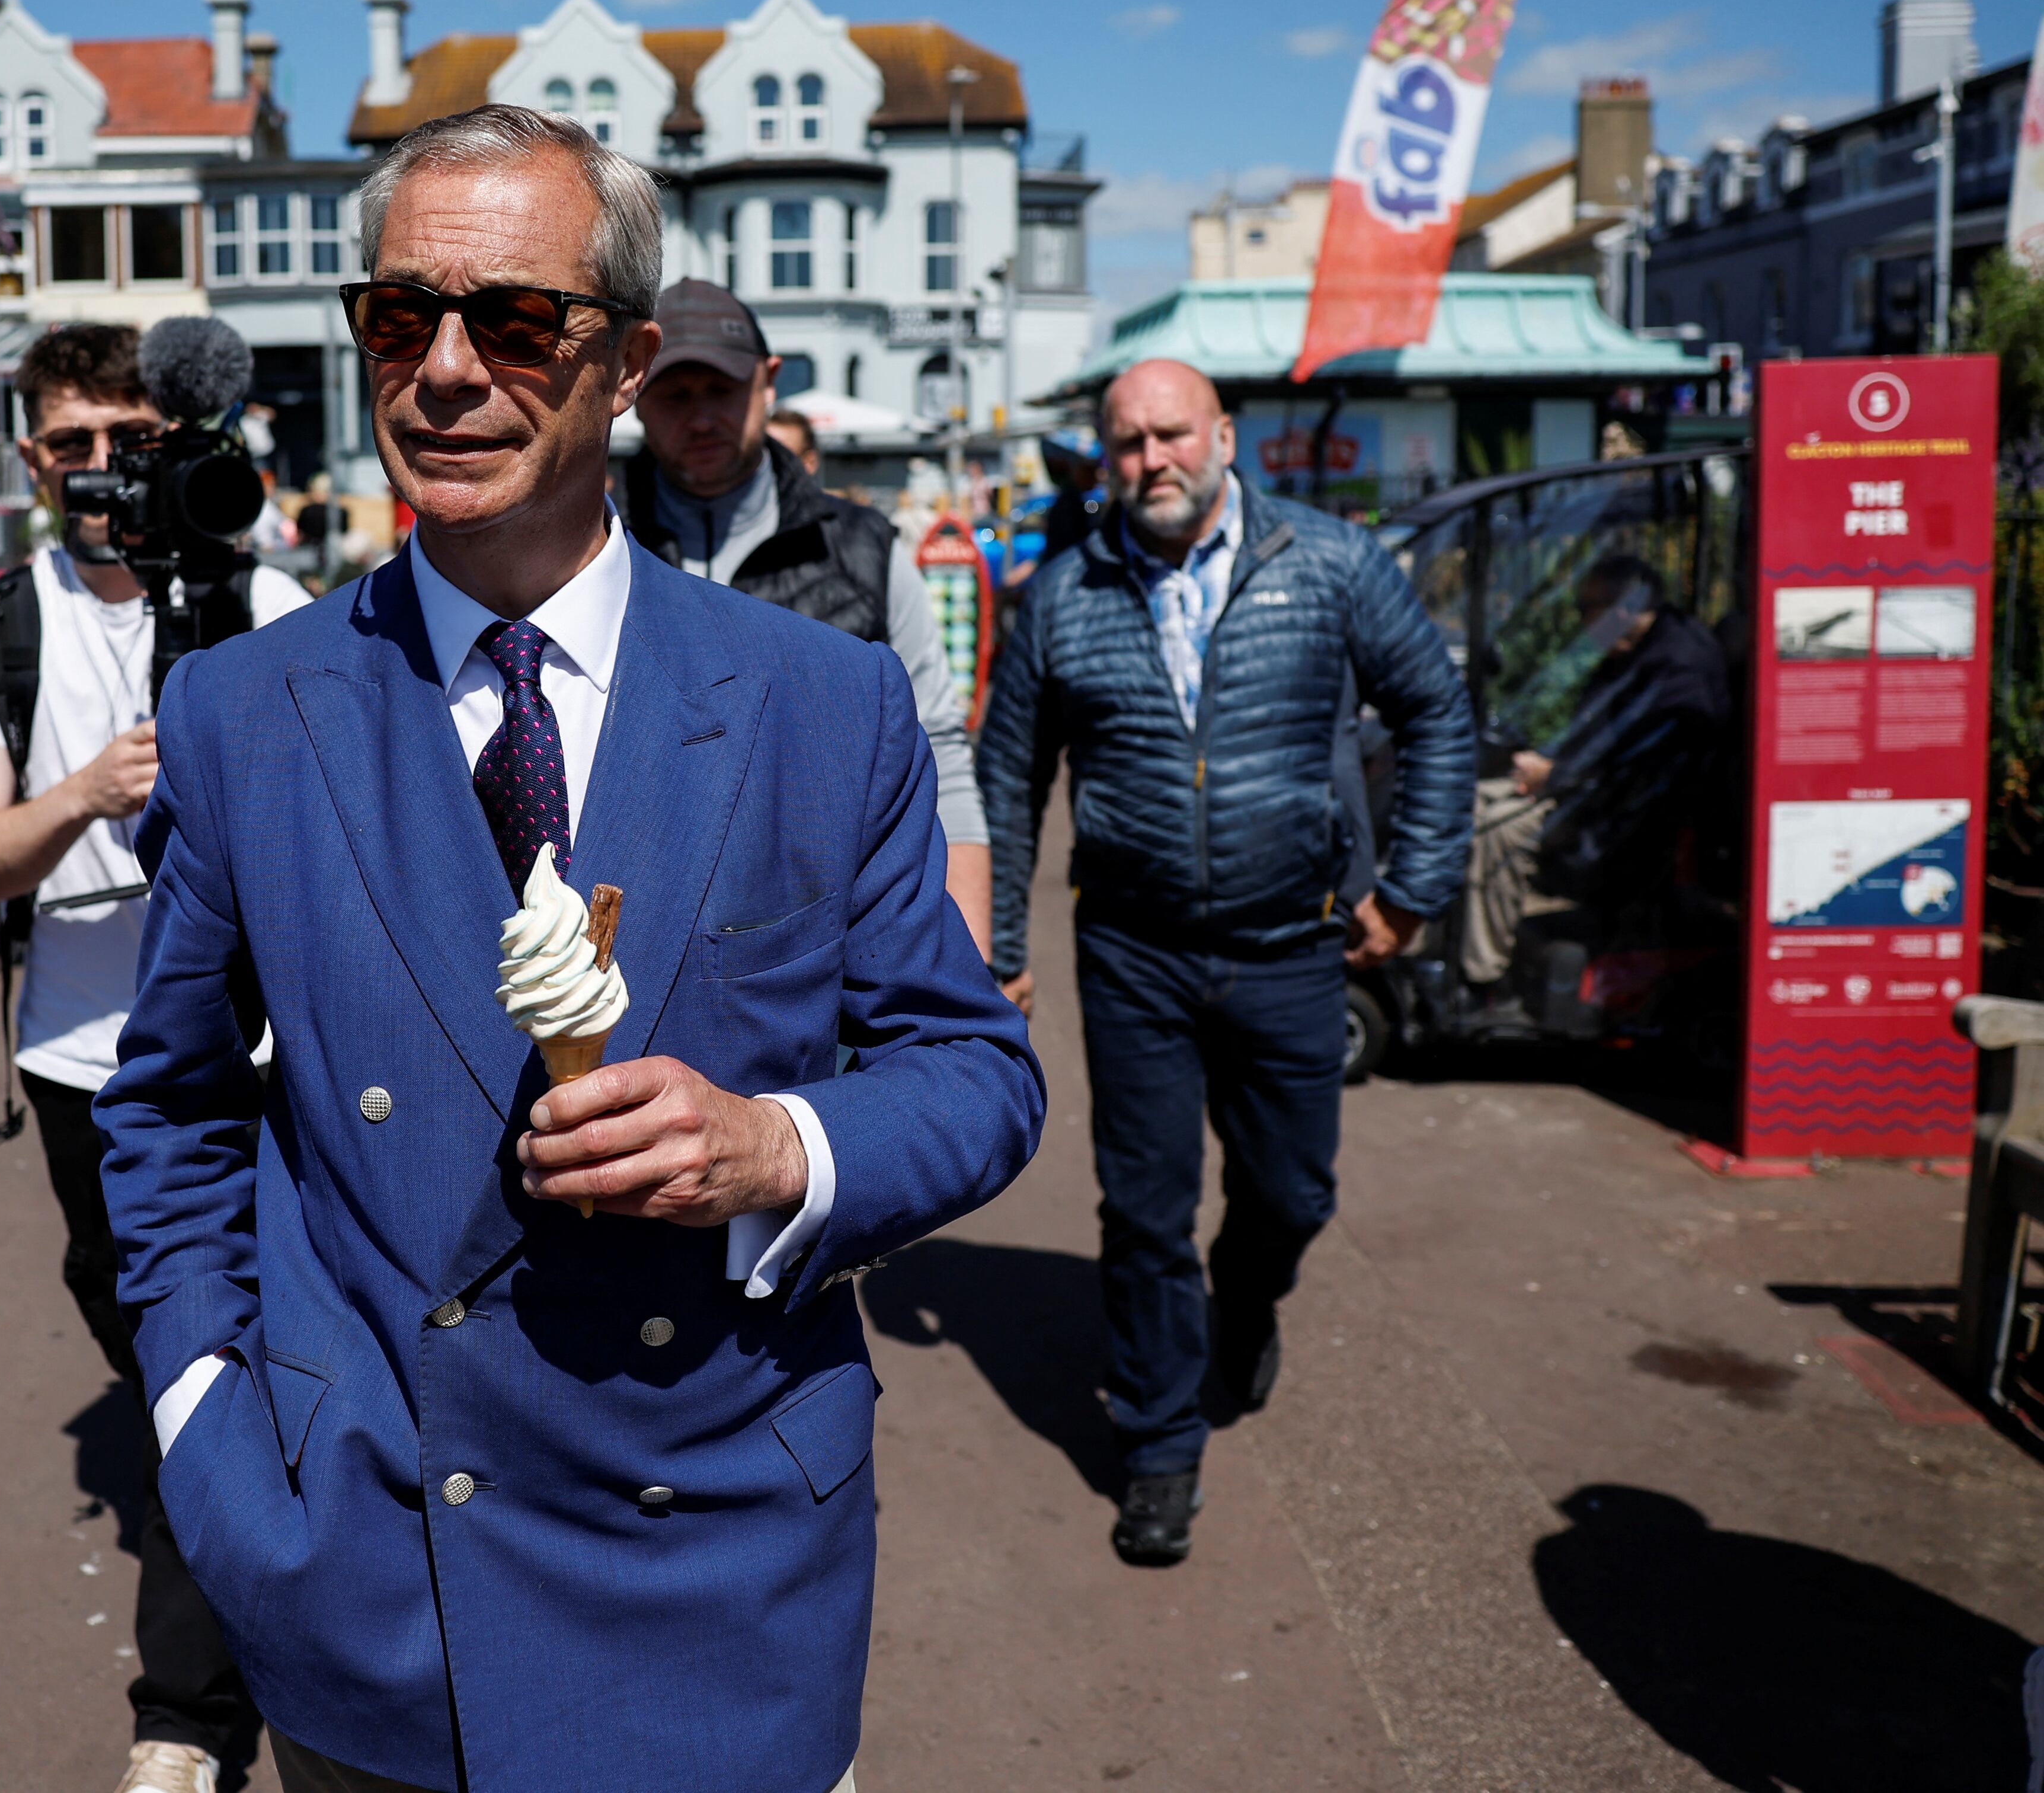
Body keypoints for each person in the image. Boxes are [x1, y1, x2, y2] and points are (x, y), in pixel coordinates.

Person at [94, 106, 1043, 1793]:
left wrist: (777, 1143)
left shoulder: (819, 702)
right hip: (374, 1572)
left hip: (723, 1569)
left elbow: (975, 1073)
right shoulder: (245, 708)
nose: (446, 369)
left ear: (622, 362)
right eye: (403, 316)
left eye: (516, 320)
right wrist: (206, 1423)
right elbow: (166, 1105)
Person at [975, 359, 1473, 1569]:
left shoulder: (1330, 562)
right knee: (1143, 1209)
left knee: (1292, 1193)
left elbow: (1436, 711)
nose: (1152, 460)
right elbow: (1008, 776)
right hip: (1133, 948)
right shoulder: (1062, 594)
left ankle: (1242, 1300)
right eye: (1128, 441)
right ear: (1104, 455)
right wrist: (998, 950)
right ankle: (1156, 1444)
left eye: (1172, 434)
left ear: (1224, 436)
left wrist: (1411, 891)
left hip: (1291, 941)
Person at [0, 324, 311, 1793]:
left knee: (223, 1354)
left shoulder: (260, 597)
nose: (101, 474)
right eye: (70, 444)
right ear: (30, 455)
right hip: (86, 1062)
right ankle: (241, 1653)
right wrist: (89, 791)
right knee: (179, 1359)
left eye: (129, 441)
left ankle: (189, 1713)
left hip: (267, 1046)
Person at [620, 282, 996, 958]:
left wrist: (971, 965)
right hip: (638, 944)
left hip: (832, 939)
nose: (701, 417)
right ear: (632, 389)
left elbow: (939, 750)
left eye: (722, 390)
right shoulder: (595, 552)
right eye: (675, 395)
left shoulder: (865, 551)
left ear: (768, 384)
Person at [1459, 552, 1730, 992]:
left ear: (1623, 608)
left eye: (1588, 609)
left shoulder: (1680, 664)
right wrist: (1547, 762)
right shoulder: (1633, 650)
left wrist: (1556, 773)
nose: (1582, 622)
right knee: (1464, 803)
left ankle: (1481, 977)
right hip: (1587, 791)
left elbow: (1644, 758)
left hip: (1622, 820)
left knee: (1496, 832)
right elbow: (1596, 728)